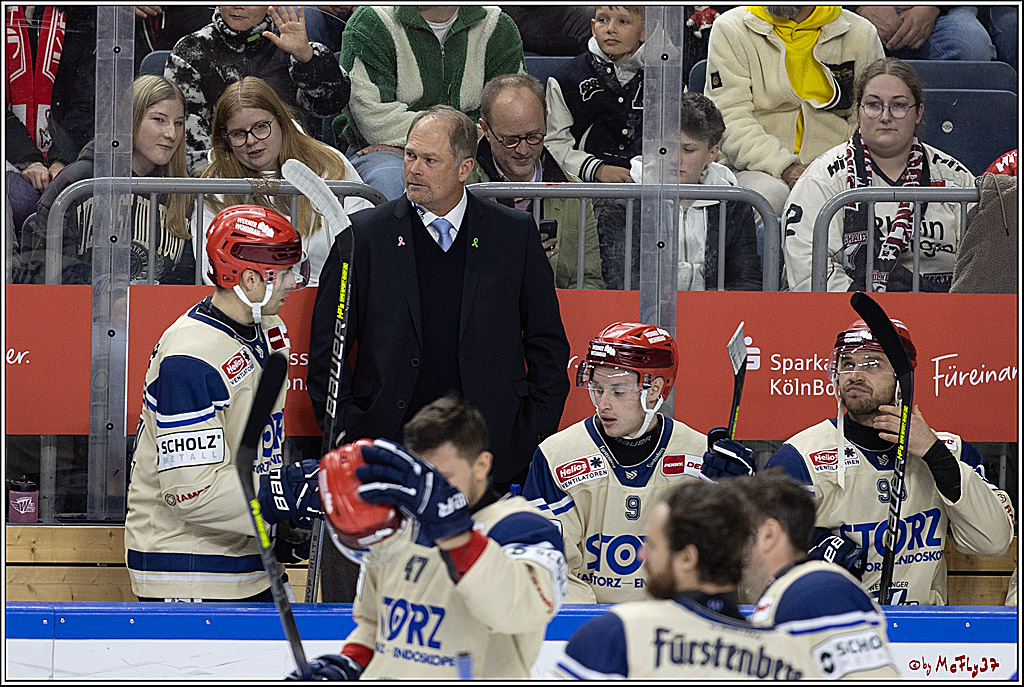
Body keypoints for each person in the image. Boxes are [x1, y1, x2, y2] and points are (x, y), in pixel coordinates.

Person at [307, 105, 571, 601]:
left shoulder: (512, 235)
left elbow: (548, 346)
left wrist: (527, 435)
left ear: (464, 167)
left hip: (487, 456)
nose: (412, 169)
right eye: (409, 155)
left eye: (428, 160)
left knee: (474, 600)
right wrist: (349, 432)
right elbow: (328, 354)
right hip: (387, 451)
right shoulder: (365, 238)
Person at [124, 204, 323, 601]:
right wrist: (281, 493)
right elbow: (191, 492)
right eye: (284, 273)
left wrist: (280, 522)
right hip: (188, 567)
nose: (294, 283)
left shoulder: (267, 328)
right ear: (249, 279)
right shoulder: (190, 358)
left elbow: (251, 446)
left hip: (249, 558)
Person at [294, 396, 567, 679]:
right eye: (422, 476)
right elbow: (375, 625)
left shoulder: (524, 527)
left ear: (482, 465)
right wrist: (347, 666)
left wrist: (453, 531)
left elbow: (520, 610)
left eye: (442, 477)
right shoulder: (399, 526)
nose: (429, 491)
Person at [764, 317, 1015, 605]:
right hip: (838, 632)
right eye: (847, 363)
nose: (855, 374)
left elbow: (993, 542)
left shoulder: (951, 450)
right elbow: (761, 558)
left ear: (902, 378)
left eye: (872, 363)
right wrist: (808, 551)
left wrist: (934, 454)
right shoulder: (800, 457)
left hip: (924, 638)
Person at [522, 322, 754, 603]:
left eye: (618, 391)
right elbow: (549, 567)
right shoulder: (556, 456)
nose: (603, 403)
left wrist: (741, 500)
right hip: (588, 627)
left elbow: (733, 569)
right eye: (597, 388)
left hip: (674, 628)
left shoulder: (702, 457)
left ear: (655, 389)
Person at [552, 481, 823, 679]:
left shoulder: (617, 635)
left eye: (654, 546)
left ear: (687, 558)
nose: (642, 555)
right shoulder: (791, 658)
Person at [784, 57, 976, 293]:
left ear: (918, 113)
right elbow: (810, 274)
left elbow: (980, 268)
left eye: (899, 105)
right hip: (850, 317)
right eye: (874, 105)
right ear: (858, 110)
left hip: (944, 314)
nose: (885, 116)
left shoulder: (956, 178)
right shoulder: (821, 180)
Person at [704, 6, 884, 217]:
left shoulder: (861, 33)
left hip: (839, 169)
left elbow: (870, 118)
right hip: (753, 169)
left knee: (854, 198)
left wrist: (834, 170)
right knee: (770, 196)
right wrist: (786, 168)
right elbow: (730, 119)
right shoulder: (731, 28)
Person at [335, 5, 525, 200]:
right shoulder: (372, 21)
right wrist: (416, 152)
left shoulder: (496, 26)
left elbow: (508, 120)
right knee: (390, 180)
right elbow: (375, 119)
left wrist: (434, 149)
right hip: (387, 151)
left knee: (512, 175)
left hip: (472, 152)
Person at [20, 75, 195, 285]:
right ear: (131, 119)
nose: (171, 133)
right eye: (159, 120)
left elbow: (184, 279)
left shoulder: (185, 191)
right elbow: (47, 267)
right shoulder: (77, 182)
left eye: (179, 123)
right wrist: (109, 299)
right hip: (80, 312)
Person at [199, 76, 372, 287]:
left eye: (261, 127)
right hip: (253, 308)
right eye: (238, 134)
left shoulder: (330, 164)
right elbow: (212, 272)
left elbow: (365, 245)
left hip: (333, 298)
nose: (251, 140)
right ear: (225, 138)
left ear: (281, 121)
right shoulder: (214, 186)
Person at [727, 471, 900, 679]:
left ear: (768, 534)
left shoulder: (820, 591)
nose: (726, 543)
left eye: (733, 530)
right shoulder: (800, 590)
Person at [166, 5, 350, 173]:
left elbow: (332, 104)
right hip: (220, 179)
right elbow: (186, 135)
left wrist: (308, 59)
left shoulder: (291, 45)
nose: (238, 6)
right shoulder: (191, 50)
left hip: (293, 173)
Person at [467, 73, 604, 290]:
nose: (523, 150)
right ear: (485, 130)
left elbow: (589, 280)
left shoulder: (574, 193)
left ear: (546, 119)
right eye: (510, 140)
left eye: (534, 136)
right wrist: (510, 264)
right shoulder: (459, 187)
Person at [546, 5, 645, 289]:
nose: (610, 28)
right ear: (592, 27)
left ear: (644, 32)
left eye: (623, 21)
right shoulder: (566, 79)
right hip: (588, 191)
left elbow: (676, 138)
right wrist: (596, 169)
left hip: (649, 187)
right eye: (603, 20)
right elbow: (554, 143)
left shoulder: (666, 77)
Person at [630, 92, 762, 290]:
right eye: (667, 148)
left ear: (712, 153)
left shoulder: (735, 204)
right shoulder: (626, 201)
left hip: (718, 315)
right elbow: (621, 280)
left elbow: (747, 281)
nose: (676, 158)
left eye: (688, 150)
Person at [851, 5, 996, 61]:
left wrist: (933, 6)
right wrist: (859, 7)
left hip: (939, 16)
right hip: (850, 14)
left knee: (972, 47)